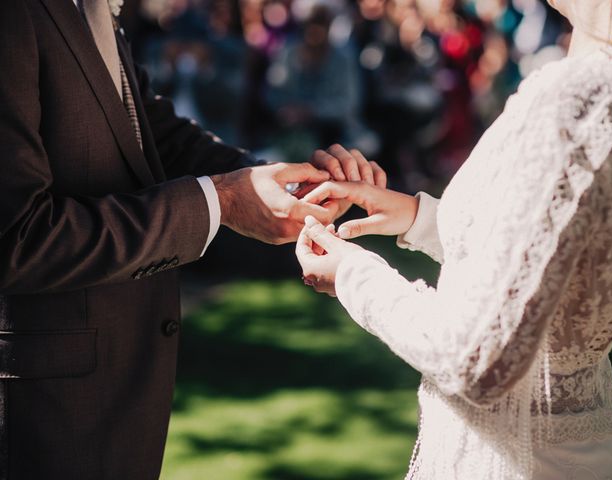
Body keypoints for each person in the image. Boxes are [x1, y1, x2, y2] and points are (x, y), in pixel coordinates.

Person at [0, 0, 382, 478]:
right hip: (45, 411)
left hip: (120, 393)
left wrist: (282, 184)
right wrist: (219, 201)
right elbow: (18, 236)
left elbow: (150, 130)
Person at [297, 0, 612, 478]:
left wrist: (354, 275)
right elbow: (554, 256)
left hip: (510, 461)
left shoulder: (578, 102)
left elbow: (476, 359)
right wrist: (416, 217)